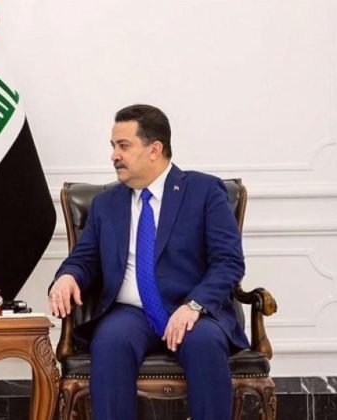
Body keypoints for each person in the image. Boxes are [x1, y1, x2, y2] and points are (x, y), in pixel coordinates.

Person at [49, 104, 248, 420]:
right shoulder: (106, 204)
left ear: (154, 149)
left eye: (123, 146)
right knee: (109, 342)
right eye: (113, 146)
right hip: (130, 313)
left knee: (205, 344)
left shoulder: (204, 191)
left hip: (192, 311)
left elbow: (228, 261)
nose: (114, 155)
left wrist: (194, 305)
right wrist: (68, 277)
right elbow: (84, 258)